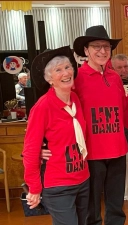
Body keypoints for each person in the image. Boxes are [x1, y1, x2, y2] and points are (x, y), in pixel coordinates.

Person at [23, 46, 89, 225]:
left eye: (68, 67)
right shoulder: (43, 107)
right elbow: (30, 149)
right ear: (49, 79)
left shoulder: (75, 99)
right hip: (58, 184)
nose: (65, 72)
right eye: (58, 70)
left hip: (82, 179)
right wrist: (34, 188)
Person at [73, 25, 128, 225]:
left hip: (118, 150)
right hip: (91, 152)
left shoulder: (115, 78)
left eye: (106, 46)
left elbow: (124, 110)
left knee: (116, 207)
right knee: (92, 208)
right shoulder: (76, 77)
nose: (103, 51)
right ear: (86, 51)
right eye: (97, 46)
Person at [111, 53, 128, 201]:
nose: (123, 70)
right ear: (112, 68)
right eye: (119, 67)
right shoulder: (110, 82)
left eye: (126, 66)